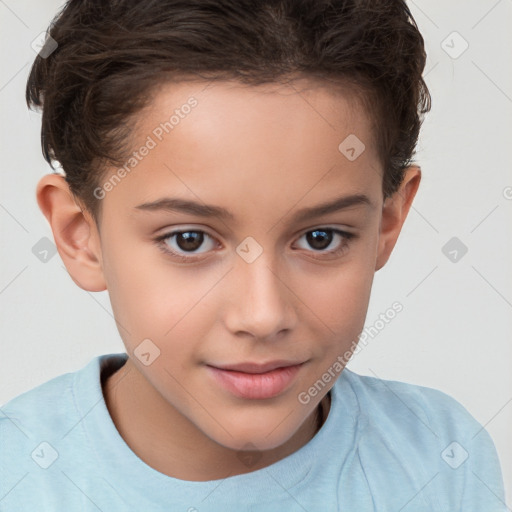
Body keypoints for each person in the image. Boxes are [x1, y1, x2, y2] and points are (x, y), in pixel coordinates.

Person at [0, 0, 507, 510]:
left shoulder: (441, 462)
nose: (263, 316)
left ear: (387, 222)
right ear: (78, 233)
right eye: (189, 240)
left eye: (321, 238)